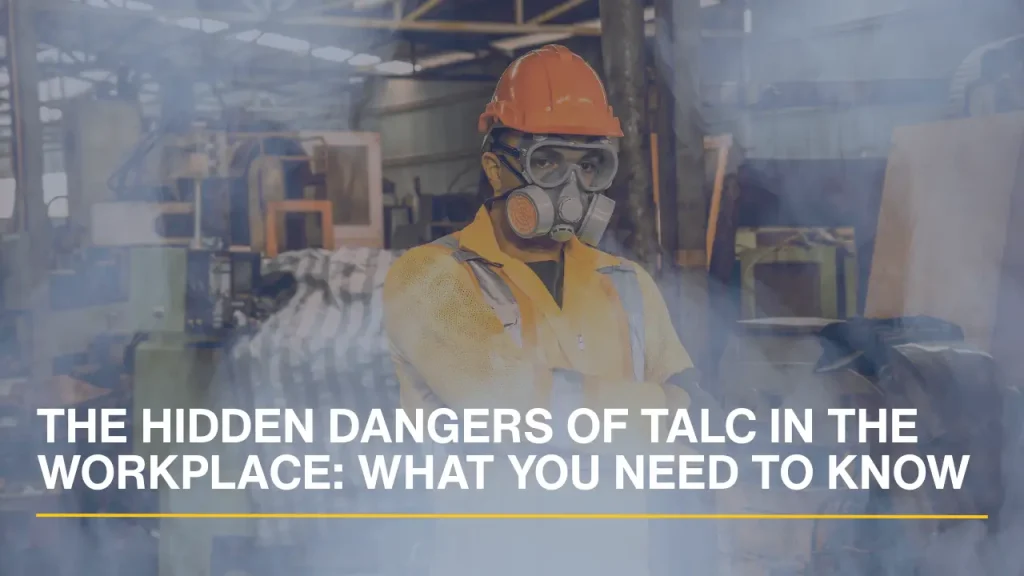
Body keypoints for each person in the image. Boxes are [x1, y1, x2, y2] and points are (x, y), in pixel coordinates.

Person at [382, 44, 716, 576]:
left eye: (590, 165)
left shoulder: (628, 284)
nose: (571, 186)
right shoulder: (429, 277)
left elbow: (697, 422)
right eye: (546, 162)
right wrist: (662, 411)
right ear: (496, 167)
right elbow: (506, 404)